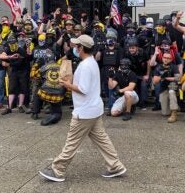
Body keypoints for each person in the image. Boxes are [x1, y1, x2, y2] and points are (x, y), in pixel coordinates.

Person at [39, 34, 126, 182]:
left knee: (71, 142)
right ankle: (115, 166)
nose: (75, 48)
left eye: (76, 46)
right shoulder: (90, 62)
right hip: (93, 109)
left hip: (85, 112)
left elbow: (83, 89)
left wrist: (66, 84)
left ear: (82, 48)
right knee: (102, 140)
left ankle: (57, 170)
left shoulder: (86, 65)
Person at [152, 52, 181, 123]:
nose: (166, 59)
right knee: (165, 113)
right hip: (163, 87)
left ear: (171, 60)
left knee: (171, 92)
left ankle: (174, 113)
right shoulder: (158, 67)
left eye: (168, 58)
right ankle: (176, 106)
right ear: (162, 58)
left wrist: (166, 77)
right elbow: (155, 81)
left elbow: (178, 78)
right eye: (165, 57)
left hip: (172, 85)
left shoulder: (174, 66)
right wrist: (162, 76)